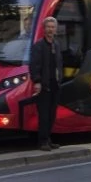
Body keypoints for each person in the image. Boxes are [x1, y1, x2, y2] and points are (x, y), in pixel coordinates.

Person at [29, 16, 63, 151]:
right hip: (43, 85)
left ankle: (48, 139)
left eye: (53, 27)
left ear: (56, 29)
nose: (50, 29)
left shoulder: (57, 44)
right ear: (44, 29)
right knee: (43, 115)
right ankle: (42, 141)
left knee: (52, 114)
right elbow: (34, 65)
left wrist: (60, 79)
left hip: (55, 84)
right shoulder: (39, 46)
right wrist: (37, 81)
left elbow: (59, 64)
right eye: (48, 27)